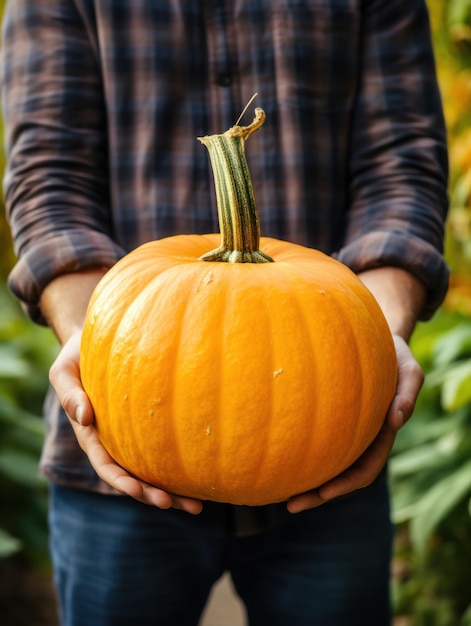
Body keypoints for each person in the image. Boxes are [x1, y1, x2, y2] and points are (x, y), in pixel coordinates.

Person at [1, 1, 449, 624]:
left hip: (330, 443)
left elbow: (401, 169)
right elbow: (50, 180)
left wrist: (375, 337)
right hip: (120, 449)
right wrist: (94, 341)